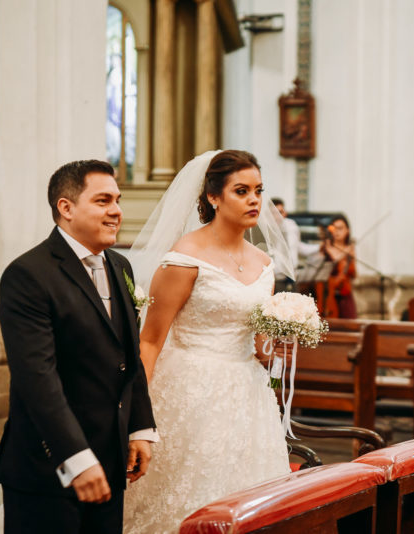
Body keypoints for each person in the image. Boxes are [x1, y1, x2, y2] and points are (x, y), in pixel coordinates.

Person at [123, 150, 293, 533]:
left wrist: (278, 339)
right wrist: (135, 417)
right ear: (213, 197)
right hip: (190, 390)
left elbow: (257, 341)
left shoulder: (263, 264)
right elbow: (149, 342)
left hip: (247, 393)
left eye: (258, 190)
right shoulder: (185, 258)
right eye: (241, 191)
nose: (254, 200)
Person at [0, 160, 157, 533]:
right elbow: (37, 378)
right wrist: (76, 458)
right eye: (102, 200)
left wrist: (140, 428)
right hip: (49, 466)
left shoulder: (121, 266)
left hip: (110, 460)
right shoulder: (29, 274)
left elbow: (128, 355)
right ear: (66, 208)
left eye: (117, 199)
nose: (116, 210)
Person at [320, 214, 357, 318]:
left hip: (344, 293)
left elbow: (353, 273)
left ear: (347, 230)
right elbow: (334, 259)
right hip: (327, 294)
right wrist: (347, 251)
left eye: (340, 228)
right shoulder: (326, 246)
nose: (336, 231)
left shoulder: (350, 249)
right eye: (334, 228)